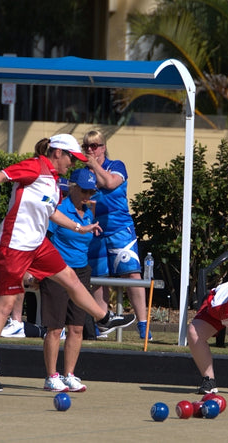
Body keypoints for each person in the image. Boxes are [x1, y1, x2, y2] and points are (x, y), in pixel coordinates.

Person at [0, 134, 136, 393]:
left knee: (70, 277)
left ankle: (103, 318)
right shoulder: (34, 166)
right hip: (13, 245)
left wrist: (79, 228)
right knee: (4, 306)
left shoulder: (53, 180)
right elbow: (1, 176)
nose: (72, 162)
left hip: (37, 245)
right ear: (57, 152)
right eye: (71, 157)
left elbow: (52, 212)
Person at [82, 130, 151, 340]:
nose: (91, 150)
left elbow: (110, 183)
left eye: (95, 146)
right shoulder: (84, 172)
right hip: (95, 229)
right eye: (87, 146)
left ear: (103, 147)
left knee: (131, 274)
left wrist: (94, 166)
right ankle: (102, 324)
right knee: (97, 279)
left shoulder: (117, 166)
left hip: (120, 228)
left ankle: (143, 324)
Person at [41, 168, 100, 392]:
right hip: (57, 271)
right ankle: (51, 376)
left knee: (77, 327)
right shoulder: (58, 209)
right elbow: (44, 238)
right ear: (72, 187)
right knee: (55, 328)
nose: (87, 195)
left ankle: (69, 375)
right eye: (83, 190)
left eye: (91, 191)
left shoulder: (89, 211)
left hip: (81, 271)